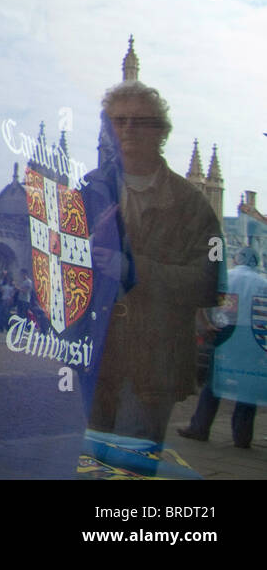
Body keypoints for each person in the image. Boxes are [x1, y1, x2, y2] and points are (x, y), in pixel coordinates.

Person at [83, 81, 221, 447]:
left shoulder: (192, 204)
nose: (127, 128)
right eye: (119, 120)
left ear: (160, 131)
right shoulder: (88, 190)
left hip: (152, 365)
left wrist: (133, 269)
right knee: (90, 466)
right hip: (94, 357)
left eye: (140, 121)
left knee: (129, 467)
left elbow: (209, 281)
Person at [178, 248, 267, 449]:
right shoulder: (263, 283)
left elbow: (202, 301)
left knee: (215, 381)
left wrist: (206, 324)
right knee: (247, 387)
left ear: (237, 259)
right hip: (253, 337)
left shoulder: (227, 277)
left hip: (225, 331)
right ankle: (242, 437)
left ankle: (200, 427)